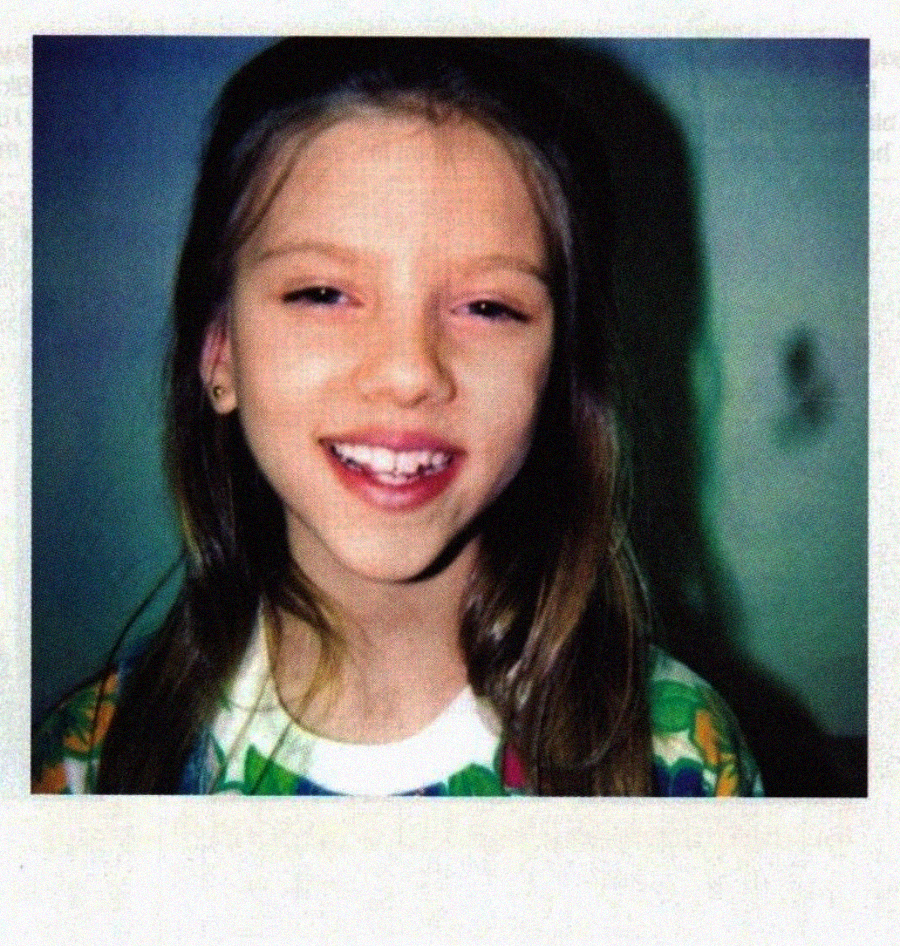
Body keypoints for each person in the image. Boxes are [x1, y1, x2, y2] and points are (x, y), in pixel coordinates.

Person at [32, 38, 762, 796]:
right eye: (322, 294)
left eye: (488, 306)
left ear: (557, 375)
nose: (409, 372)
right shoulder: (83, 766)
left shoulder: (682, 756)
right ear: (219, 352)